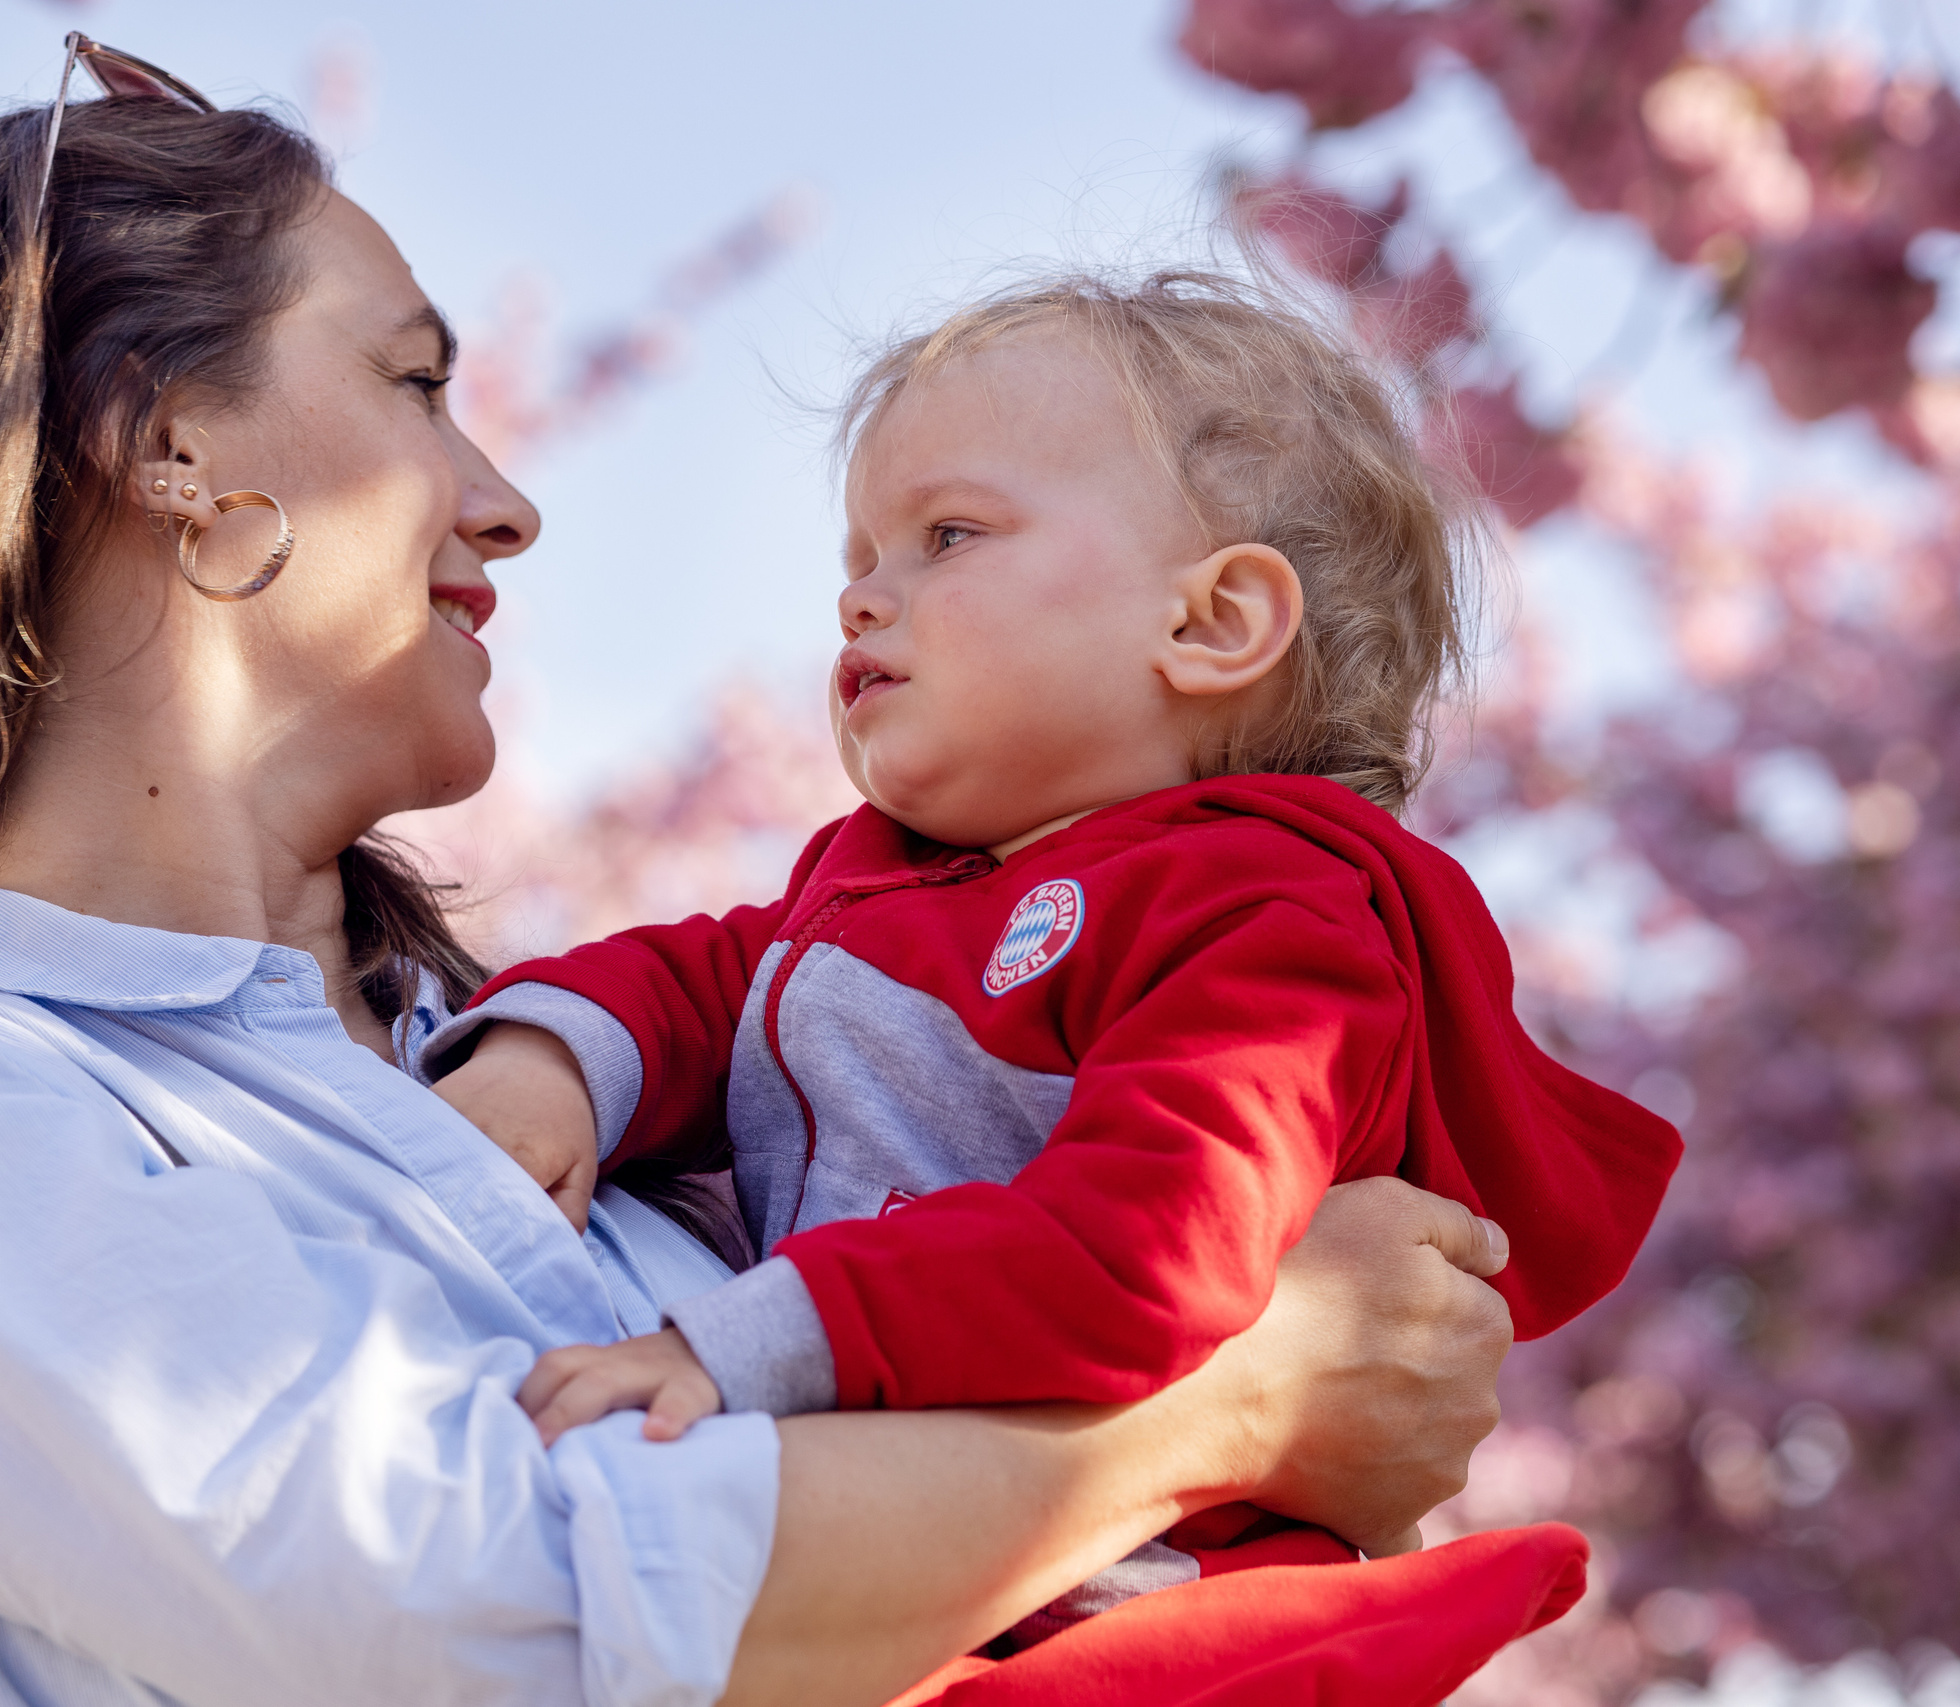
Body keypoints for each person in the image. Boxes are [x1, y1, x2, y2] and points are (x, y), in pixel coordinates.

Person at [0, 42, 1521, 1707]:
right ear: (165, 444)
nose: (507, 501)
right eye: (417, 382)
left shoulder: (661, 1129)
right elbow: (475, 1611)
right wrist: (1231, 1398)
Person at [424, 275, 1682, 1669]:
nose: (860, 598)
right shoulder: (893, 885)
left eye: (947, 536)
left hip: (1139, 1621)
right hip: (907, 1593)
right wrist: (553, 1063)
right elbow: (716, 983)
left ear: (1211, 624)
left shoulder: (1271, 920)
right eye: (861, 554)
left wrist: (749, 1344)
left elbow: (1144, 1241)